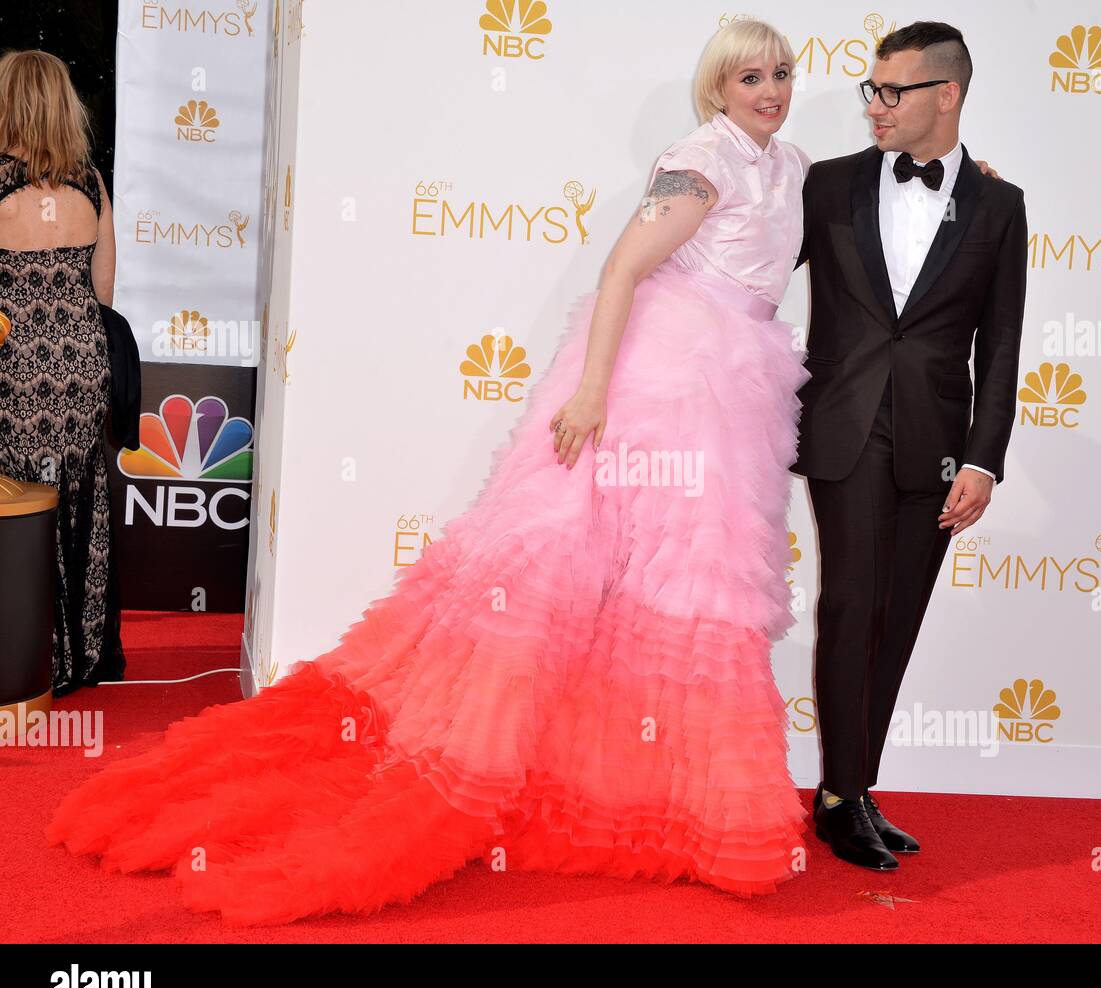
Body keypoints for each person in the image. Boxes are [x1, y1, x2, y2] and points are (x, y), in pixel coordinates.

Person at [46, 19, 816, 925]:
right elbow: (620, 272)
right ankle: (522, 778)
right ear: (719, 87)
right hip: (661, 384)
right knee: (563, 579)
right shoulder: (699, 159)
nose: (769, 90)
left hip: (734, 392)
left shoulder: (793, 162)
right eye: (750, 76)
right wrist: (592, 393)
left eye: (782, 74)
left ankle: (673, 804)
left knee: (682, 598)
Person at [792, 21, 1028, 870]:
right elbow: (744, 266)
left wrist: (983, 456)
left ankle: (852, 788)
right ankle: (839, 796)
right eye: (872, 90)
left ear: (947, 95)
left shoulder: (1000, 205)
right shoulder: (825, 185)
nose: (876, 107)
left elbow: (1001, 343)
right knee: (852, 604)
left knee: (896, 617)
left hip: (936, 445)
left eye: (894, 92)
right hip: (846, 428)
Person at [0, 49, 125, 698]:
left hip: (14, 370)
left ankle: (21, 663)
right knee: (76, 503)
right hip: (81, 364)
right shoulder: (90, 184)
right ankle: (78, 661)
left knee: (19, 507)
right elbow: (102, 292)